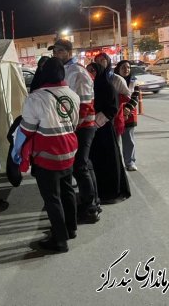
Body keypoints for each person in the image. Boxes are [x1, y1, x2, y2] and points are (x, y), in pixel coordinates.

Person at [12, 57, 80, 252]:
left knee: (52, 198)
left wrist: (17, 152)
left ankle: (60, 240)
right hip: (69, 151)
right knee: (67, 190)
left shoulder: (36, 98)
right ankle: (70, 228)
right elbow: (74, 123)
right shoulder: (73, 95)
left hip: (48, 155)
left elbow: (26, 130)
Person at [49, 39, 100, 223]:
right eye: (54, 52)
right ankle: (92, 200)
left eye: (60, 51)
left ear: (69, 52)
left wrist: (72, 127)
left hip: (83, 126)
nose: (56, 55)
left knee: (80, 166)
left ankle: (90, 207)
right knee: (84, 164)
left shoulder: (78, 72)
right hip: (77, 125)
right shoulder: (66, 70)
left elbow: (84, 105)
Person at [87, 62, 131, 203]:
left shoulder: (107, 86)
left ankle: (111, 192)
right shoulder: (90, 87)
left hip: (104, 130)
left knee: (109, 161)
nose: (90, 73)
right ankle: (98, 190)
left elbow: (112, 108)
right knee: (96, 162)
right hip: (94, 131)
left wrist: (97, 122)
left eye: (93, 70)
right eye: (88, 70)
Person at [114, 60, 140, 171]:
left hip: (129, 115)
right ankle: (116, 163)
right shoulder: (114, 81)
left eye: (128, 67)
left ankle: (130, 162)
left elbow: (135, 97)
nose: (126, 70)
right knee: (115, 141)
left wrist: (128, 108)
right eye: (123, 67)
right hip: (116, 115)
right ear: (118, 69)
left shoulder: (133, 82)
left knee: (129, 140)